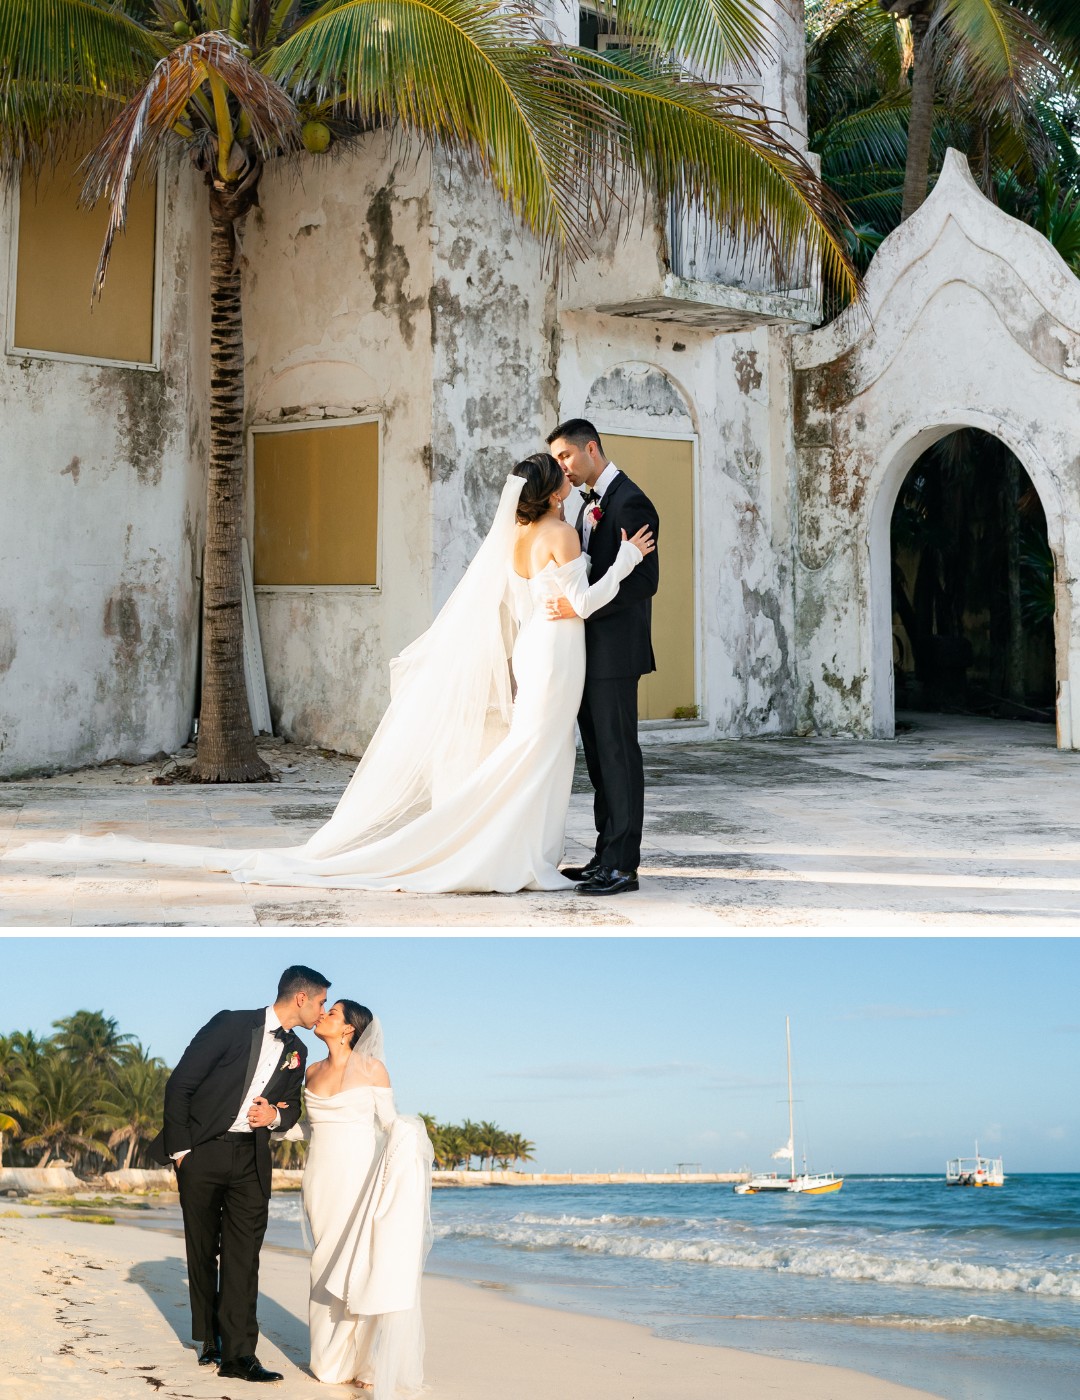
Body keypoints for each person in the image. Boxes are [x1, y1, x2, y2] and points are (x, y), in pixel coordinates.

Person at [4, 454, 654, 892]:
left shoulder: (515, 538)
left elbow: (529, 603)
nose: (572, 482)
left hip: (537, 652)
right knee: (536, 755)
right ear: (551, 492)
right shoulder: (560, 536)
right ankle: (513, 856)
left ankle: (524, 854)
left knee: (534, 754)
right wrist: (622, 561)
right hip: (559, 648)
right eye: (563, 477)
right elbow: (577, 603)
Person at [148, 964, 330, 1382]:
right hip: (203, 1152)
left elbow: (292, 1108)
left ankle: (239, 1355)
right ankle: (210, 1340)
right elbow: (180, 1086)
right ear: (301, 997)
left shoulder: (297, 1051)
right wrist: (181, 1152)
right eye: (321, 1001)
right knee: (202, 1250)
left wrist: (275, 1115)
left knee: (243, 1257)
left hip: (252, 1160)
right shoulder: (230, 1024)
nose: (322, 1010)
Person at [275, 1002, 433, 1395]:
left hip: (361, 1178)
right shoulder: (311, 1071)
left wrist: (411, 1146)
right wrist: (275, 1124)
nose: (323, 1014)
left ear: (348, 1029)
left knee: (361, 1263)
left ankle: (364, 1360)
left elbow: (389, 1124)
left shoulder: (372, 1070)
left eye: (333, 1013)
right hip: (321, 1180)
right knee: (325, 1261)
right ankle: (329, 1357)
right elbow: (311, 1128)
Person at [545, 419, 660, 896]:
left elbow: (644, 581)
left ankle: (623, 866)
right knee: (597, 760)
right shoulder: (586, 507)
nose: (562, 468)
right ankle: (603, 855)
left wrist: (582, 606)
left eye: (565, 457)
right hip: (587, 653)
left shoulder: (632, 501)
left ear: (590, 448)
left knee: (618, 757)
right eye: (556, 461)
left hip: (615, 653)